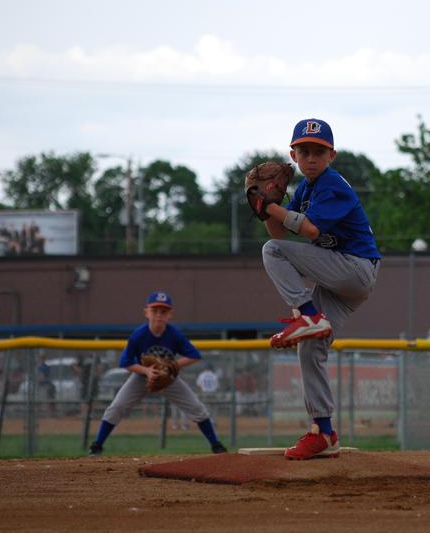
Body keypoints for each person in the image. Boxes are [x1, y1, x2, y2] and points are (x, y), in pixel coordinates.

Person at [255, 118, 381, 459]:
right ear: (293, 156)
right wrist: (265, 209)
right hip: (342, 279)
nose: (311, 158)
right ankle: (323, 432)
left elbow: (309, 231)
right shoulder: (305, 190)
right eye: (304, 151)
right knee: (311, 347)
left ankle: (309, 315)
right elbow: (278, 231)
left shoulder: (332, 184)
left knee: (272, 253)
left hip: (355, 267)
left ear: (331, 156)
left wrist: (271, 206)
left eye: (319, 152)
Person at [88, 291, 227, 456]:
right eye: (154, 311)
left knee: (197, 408)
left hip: (168, 378)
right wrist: (146, 371)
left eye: (163, 311)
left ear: (170, 315)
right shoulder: (139, 335)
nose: (159, 315)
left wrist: (172, 366)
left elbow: (194, 355)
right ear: (146, 312)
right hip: (140, 377)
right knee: (116, 407)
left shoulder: (174, 335)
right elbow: (125, 362)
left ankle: (216, 445)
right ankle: (97, 445)